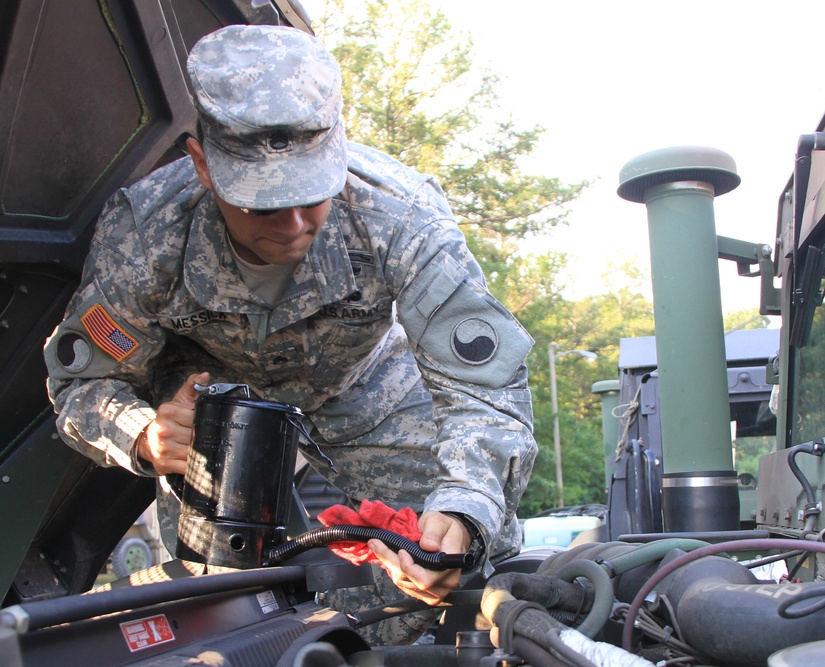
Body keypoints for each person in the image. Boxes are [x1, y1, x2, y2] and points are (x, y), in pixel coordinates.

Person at [43, 24, 536, 644]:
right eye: (262, 204)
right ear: (202, 165)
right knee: (222, 612)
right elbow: (81, 385)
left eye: (313, 194)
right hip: (216, 425)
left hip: (368, 395)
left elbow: (485, 391)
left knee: (456, 574)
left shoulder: (400, 215)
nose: (295, 225)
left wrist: (466, 508)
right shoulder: (144, 236)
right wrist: (140, 433)